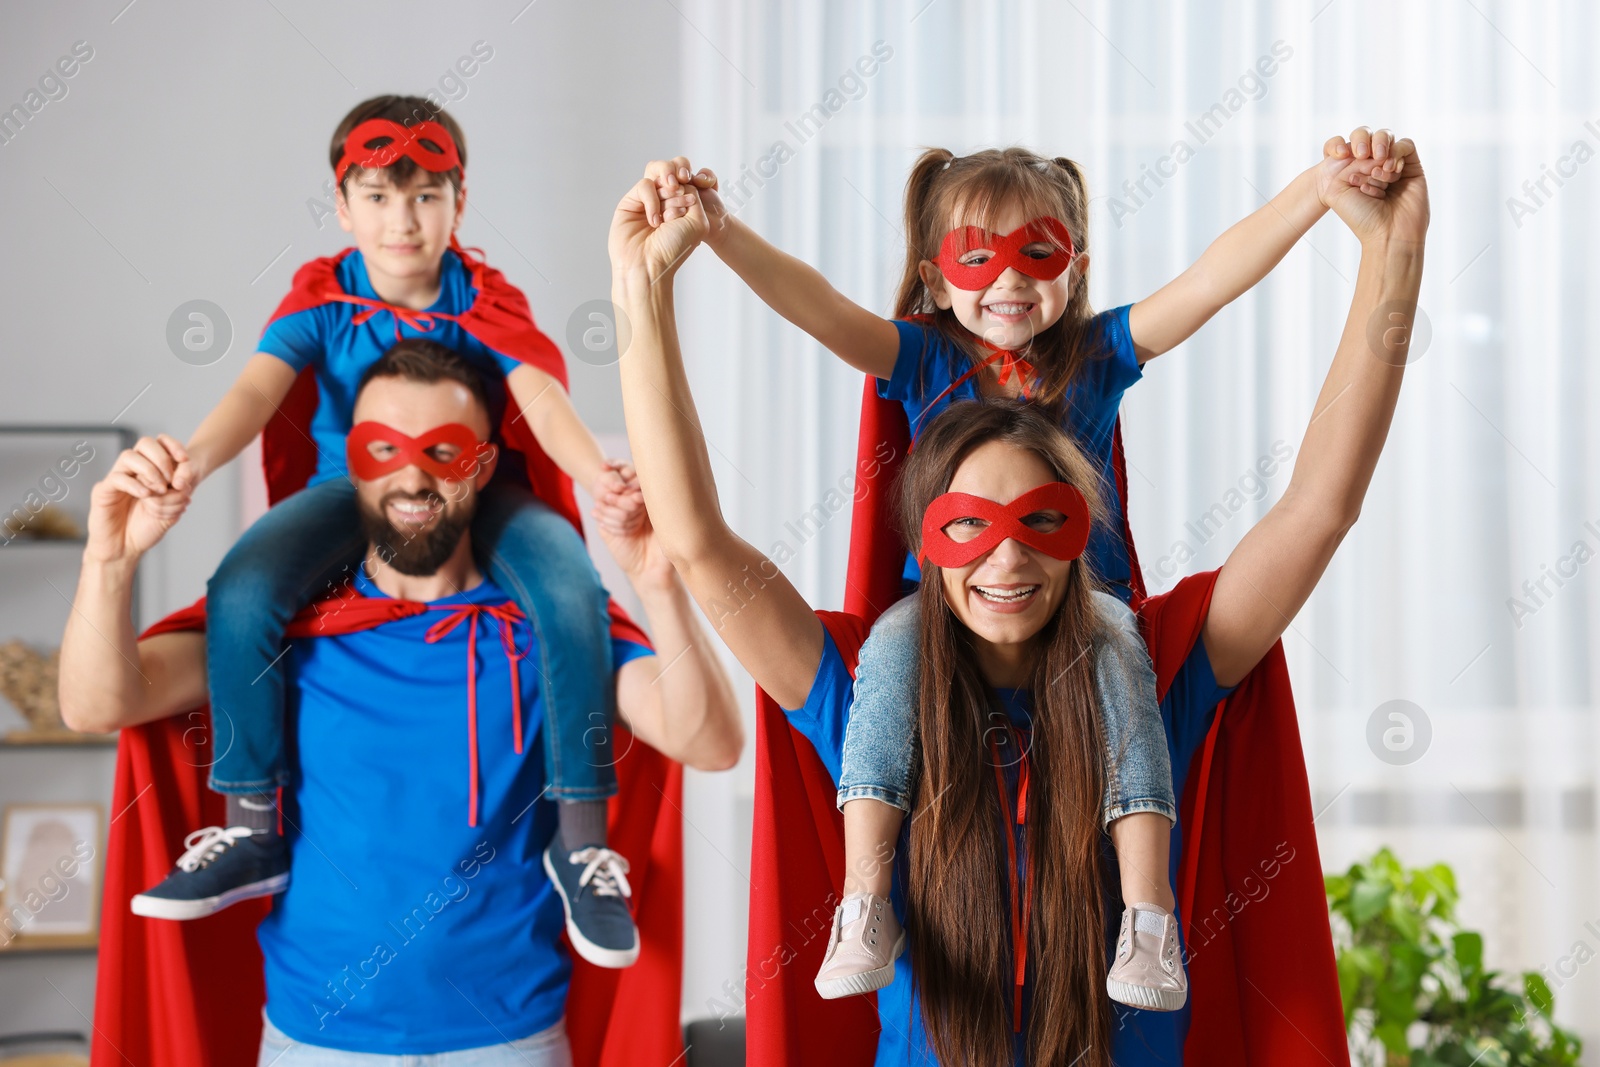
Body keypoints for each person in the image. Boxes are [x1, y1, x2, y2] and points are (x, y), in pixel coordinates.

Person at [609, 130, 1425, 1065]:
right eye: (967, 526)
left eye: (1040, 520)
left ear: (1084, 525)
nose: (1005, 559)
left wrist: (1389, 249)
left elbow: (1319, 506)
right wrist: (643, 286)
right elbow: (697, 538)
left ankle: (1142, 918)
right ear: (922, 535)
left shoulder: (1156, 672)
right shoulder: (873, 689)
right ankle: (861, 902)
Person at [58, 342, 743, 1064]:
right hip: (314, 1040)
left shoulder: (550, 632)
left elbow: (710, 741)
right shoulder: (281, 631)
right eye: (382, 447)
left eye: (441, 451)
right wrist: (109, 559)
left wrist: (659, 583)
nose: (411, 475)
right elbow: (96, 704)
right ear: (351, 463)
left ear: (481, 466)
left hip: (509, 1041)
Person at [120, 96, 650, 967]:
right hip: (350, 487)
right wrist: (193, 461)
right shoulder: (327, 298)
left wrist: (599, 477)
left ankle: (581, 834)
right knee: (243, 590)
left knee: (569, 589)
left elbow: (540, 398)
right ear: (342, 205)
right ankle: (252, 821)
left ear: (458, 202)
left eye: (425, 197)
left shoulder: (485, 297)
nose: (401, 220)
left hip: (479, 484)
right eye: (376, 196)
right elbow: (257, 391)